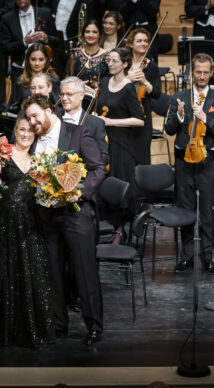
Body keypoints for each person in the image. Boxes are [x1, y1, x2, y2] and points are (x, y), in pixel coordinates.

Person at [22, 94, 106, 345]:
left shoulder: (78, 133)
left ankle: (94, 326)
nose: (32, 122)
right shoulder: (33, 141)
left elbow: (98, 168)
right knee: (54, 273)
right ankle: (59, 324)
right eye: (28, 118)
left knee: (84, 271)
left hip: (75, 214)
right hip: (46, 214)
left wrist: (81, 191)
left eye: (35, 116)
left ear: (49, 111)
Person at [0, 115, 55, 348]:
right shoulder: (1, 156)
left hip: (29, 226)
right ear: (15, 132)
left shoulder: (40, 160)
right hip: (2, 224)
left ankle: (25, 330)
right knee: (1, 275)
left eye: (30, 131)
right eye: (21, 130)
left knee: (28, 275)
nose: (25, 135)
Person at [165, 53, 214, 275]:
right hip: (184, 162)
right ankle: (187, 257)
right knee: (185, 211)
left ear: (212, 73)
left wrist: (205, 118)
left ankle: (208, 257)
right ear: (191, 73)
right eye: (197, 72)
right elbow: (169, 129)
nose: (201, 76)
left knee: (207, 213)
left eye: (205, 72)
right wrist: (181, 116)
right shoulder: (179, 97)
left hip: (208, 164)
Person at [95, 47, 144, 243]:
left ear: (125, 64)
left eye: (114, 61)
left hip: (121, 143)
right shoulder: (104, 82)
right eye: (108, 60)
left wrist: (112, 122)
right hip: (104, 141)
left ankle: (120, 229)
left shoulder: (128, 88)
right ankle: (105, 225)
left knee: (119, 183)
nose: (110, 63)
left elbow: (139, 120)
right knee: (103, 183)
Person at [0, 0, 57, 83]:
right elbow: (5, 48)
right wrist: (24, 42)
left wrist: (46, 38)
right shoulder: (7, 18)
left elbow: (56, 41)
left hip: (44, 68)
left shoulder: (45, 13)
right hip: (20, 69)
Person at [127, 27, 161, 165]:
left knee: (142, 156)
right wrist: (128, 78)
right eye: (139, 41)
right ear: (131, 44)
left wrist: (145, 82)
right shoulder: (123, 64)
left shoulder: (151, 66)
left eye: (146, 41)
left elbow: (157, 93)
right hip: (123, 114)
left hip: (143, 116)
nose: (143, 44)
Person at [60, 76, 109, 166]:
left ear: (81, 95)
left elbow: (104, 157)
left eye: (69, 94)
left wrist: (81, 167)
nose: (64, 98)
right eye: (62, 94)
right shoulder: (55, 118)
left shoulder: (96, 123)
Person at [46, 0, 96, 78]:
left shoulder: (86, 2)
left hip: (74, 44)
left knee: (71, 75)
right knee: (55, 76)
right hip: (55, 42)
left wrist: (84, 43)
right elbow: (48, 11)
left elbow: (90, 23)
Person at [7, 43, 60, 114]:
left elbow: (59, 107)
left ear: (46, 60)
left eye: (41, 59)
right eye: (33, 59)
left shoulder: (54, 80)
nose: (37, 63)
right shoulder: (20, 81)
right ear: (28, 60)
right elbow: (12, 109)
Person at [66, 20, 108, 91]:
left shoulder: (108, 56)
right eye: (87, 32)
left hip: (100, 98)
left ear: (100, 34)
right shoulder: (75, 55)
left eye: (94, 32)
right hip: (78, 97)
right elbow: (67, 81)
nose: (90, 35)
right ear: (83, 34)